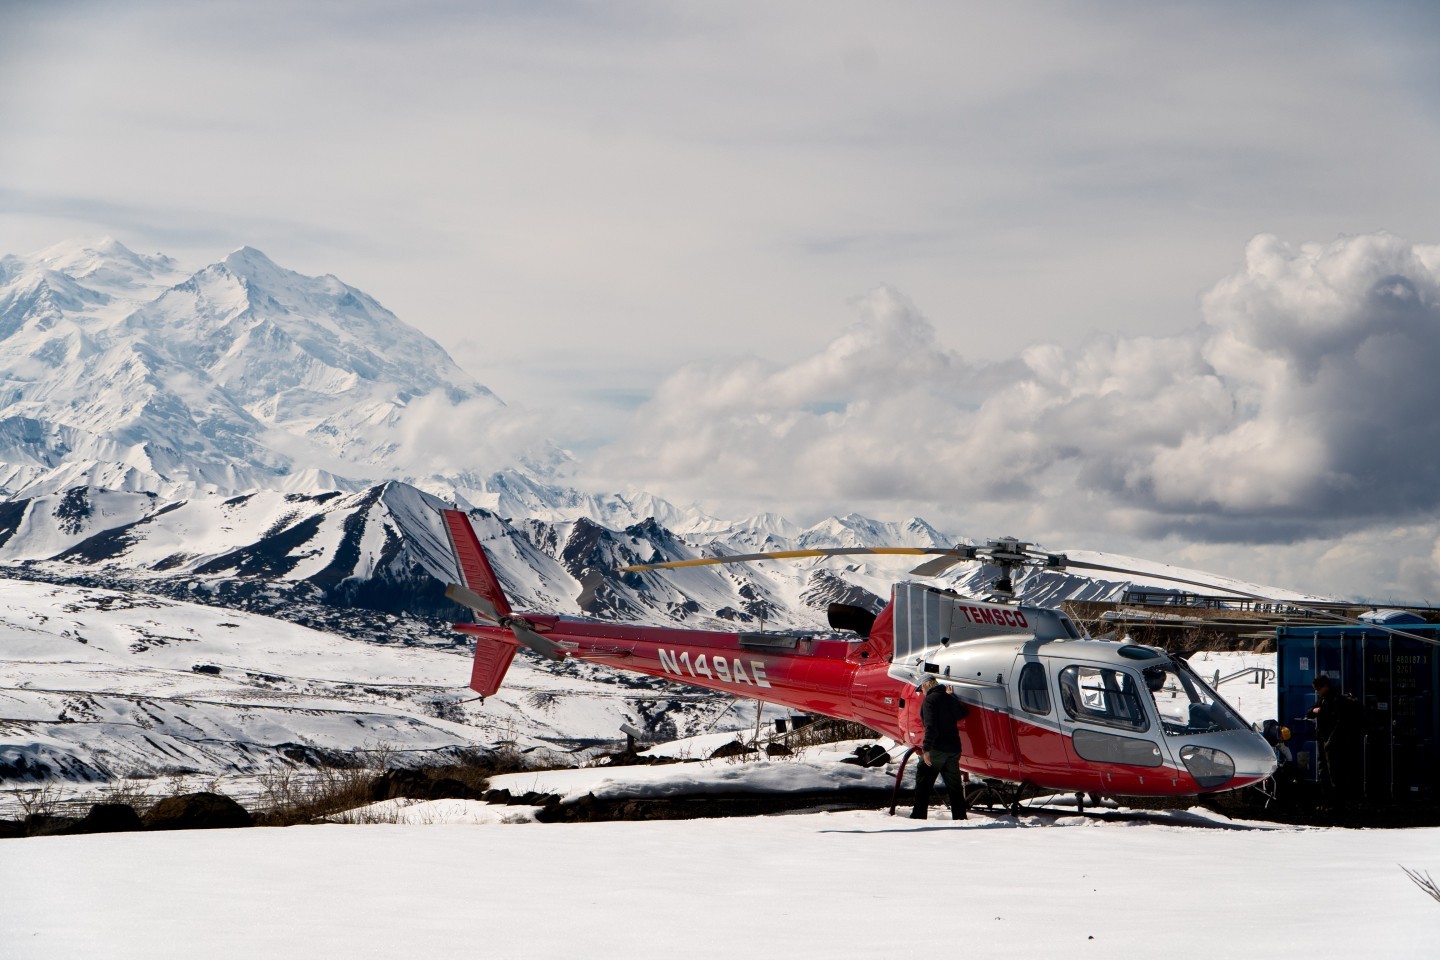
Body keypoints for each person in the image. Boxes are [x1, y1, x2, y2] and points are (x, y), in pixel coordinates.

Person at [910, 676, 970, 821]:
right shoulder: (948, 698)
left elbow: (931, 727)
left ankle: (918, 817)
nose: (921, 692)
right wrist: (953, 697)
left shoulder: (930, 700)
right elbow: (963, 713)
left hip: (937, 749)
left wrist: (926, 749)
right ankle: (960, 818)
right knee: (954, 787)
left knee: (923, 783)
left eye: (921, 689)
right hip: (954, 749)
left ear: (925, 686)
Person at [1309, 675, 1365, 810]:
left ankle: (1336, 802)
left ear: (1325, 686)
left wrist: (1331, 739)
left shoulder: (1336, 700)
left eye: (1318, 688)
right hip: (1323, 739)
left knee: (1334, 773)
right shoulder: (1323, 699)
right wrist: (1314, 711)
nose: (1317, 691)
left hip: (1333, 742)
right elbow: (1310, 712)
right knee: (1324, 771)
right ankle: (1328, 801)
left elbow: (1341, 722)